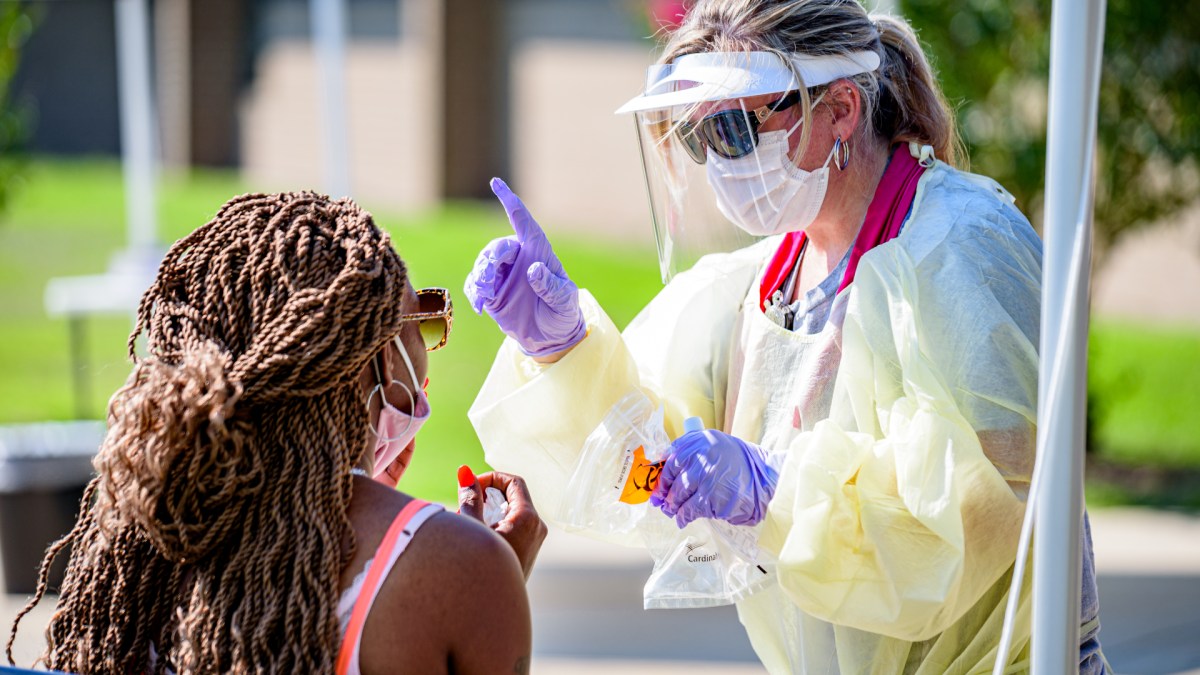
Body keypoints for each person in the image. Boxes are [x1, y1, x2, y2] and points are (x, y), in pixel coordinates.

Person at [464, 0, 1104, 673]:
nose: (719, 162)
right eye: (698, 138)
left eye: (737, 129)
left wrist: (775, 489)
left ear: (840, 111)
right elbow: (651, 473)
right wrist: (564, 349)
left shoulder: (959, 249)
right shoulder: (761, 285)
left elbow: (977, 520)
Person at [7, 192, 546, 674]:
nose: (428, 345)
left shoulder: (135, 542)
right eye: (421, 321)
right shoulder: (458, 571)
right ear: (372, 355)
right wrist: (490, 578)